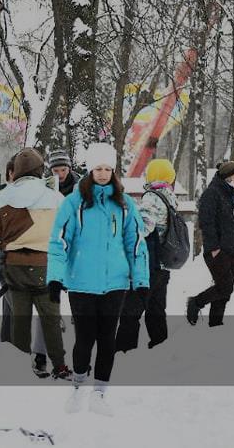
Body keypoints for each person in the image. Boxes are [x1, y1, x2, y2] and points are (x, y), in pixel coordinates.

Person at [47, 142, 149, 415]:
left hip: (115, 283)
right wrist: (55, 277)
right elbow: (59, 242)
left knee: (107, 340)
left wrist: (141, 281)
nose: (103, 174)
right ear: (90, 170)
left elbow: (136, 244)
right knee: (84, 339)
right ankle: (78, 387)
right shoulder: (74, 203)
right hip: (81, 282)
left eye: (107, 169)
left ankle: (100, 394)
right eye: (98, 168)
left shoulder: (124, 204)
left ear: (113, 170)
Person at [0, 150, 67, 379]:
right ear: (40, 169)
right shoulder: (55, 197)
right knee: (51, 320)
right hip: (46, 267)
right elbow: (67, 232)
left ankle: (20, 367)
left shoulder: (3, 197)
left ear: (17, 171)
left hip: (14, 268)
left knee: (19, 321)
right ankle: (59, 365)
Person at [116, 158, 177, 351]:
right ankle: (161, 345)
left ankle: (125, 350)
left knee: (130, 310)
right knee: (156, 308)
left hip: (148, 263)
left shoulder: (152, 197)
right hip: (162, 264)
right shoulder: (170, 196)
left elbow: (143, 228)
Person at [186, 160, 234, 328]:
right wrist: (213, 248)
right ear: (228, 177)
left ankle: (216, 324)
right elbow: (206, 223)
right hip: (219, 251)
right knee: (225, 288)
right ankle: (196, 302)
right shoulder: (212, 194)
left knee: (224, 291)